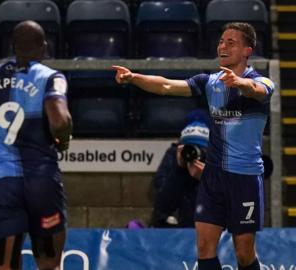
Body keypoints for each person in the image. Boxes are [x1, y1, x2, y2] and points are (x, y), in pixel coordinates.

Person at [113, 22, 274, 270]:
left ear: (247, 50)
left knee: (243, 254)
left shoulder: (261, 80)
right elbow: (166, 85)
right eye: (221, 41)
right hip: (213, 177)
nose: (223, 46)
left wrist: (240, 84)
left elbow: (258, 91)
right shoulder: (210, 82)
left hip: (245, 178)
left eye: (231, 42)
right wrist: (134, 77)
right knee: (204, 248)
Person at [0, 20, 72, 270]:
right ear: (43, 46)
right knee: (49, 263)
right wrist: (64, 138)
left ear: (13, 46)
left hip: (4, 183)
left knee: (5, 266)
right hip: (42, 181)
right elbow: (60, 121)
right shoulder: (51, 77)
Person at [152, 110, 209, 228]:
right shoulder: (174, 157)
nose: (193, 153)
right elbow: (163, 207)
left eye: (200, 148)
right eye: (189, 146)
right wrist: (179, 170)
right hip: (179, 232)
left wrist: (207, 178)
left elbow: (231, 205)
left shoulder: (219, 159)